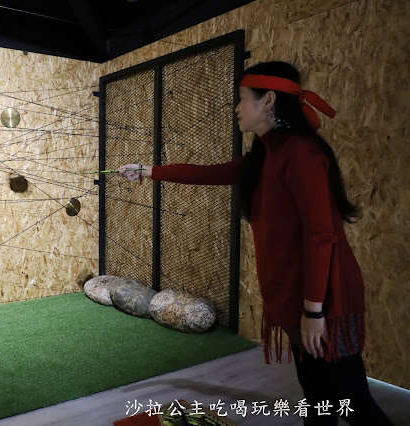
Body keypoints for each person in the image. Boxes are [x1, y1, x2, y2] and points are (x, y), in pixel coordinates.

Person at [118, 61, 394, 425]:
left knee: (352, 399)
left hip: (327, 298)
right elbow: (213, 173)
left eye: (242, 98)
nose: (236, 107)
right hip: (299, 296)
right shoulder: (267, 154)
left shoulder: (302, 154)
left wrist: (314, 312)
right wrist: (147, 170)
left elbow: (321, 235)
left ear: (269, 101)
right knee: (317, 395)